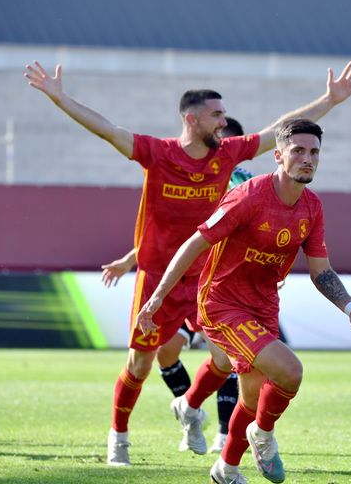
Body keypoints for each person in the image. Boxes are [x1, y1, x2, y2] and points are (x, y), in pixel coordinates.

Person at [24, 60, 351, 466]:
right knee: (141, 362)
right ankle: (119, 436)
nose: (224, 122)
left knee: (224, 360)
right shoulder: (158, 153)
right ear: (191, 118)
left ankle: (190, 410)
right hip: (160, 277)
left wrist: (328, 100)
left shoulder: (229, 154)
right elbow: (107, 130)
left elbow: (283, 132)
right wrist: (61, 99)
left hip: (210, 276)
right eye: (216, 114)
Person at [136, 118, 351, 484]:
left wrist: (349, 306)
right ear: (278, 156)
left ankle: (226, 468)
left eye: (314, 152)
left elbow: (321, 272)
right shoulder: (248, 195)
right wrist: (156, 298)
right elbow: (194, 243)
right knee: (290, 371)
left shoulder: (312, 208)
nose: (307, 158)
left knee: (251, 397)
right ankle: (263, 435)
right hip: (221, 304)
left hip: (263, 305)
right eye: (298, 150)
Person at [100, 118, 251, 454]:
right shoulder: (189, 172)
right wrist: (130, 260)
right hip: (170, 279)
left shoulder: (243, 183)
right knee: (156, 357)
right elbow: (179, 237)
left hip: (214, 279)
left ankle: (220, 430)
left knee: (227, 358)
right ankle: (174, 418)